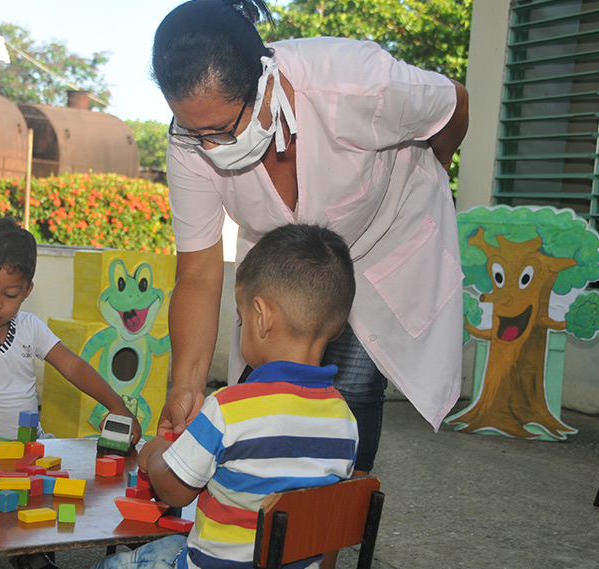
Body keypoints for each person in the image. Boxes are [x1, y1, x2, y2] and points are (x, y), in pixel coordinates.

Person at [153, 0, 469, 481]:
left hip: (383, 243)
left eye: (221, 129)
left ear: (263, 82)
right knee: (264, 394)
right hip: (287, 268)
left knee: (355, 392)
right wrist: (186, 383)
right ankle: (266, 527)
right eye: (198, 134)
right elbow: (198, 273)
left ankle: (327, 530)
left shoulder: (356, 82)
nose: (210, 146)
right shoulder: (187, 140)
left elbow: (455, 105)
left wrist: (426, 174)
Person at [94, 223, 359, 569]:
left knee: (113, 566)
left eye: (241, 318)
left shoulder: (229, 407)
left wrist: (155, 455)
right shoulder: (345, 421)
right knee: (176, 540)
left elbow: (176, 491)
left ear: (262, 317)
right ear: (337, 327)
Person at [0, 217, 141, 446]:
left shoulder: (30, 327)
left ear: (27, 291)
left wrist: (116, 404)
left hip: (30, 449)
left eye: (10, 294)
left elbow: (73, 366)